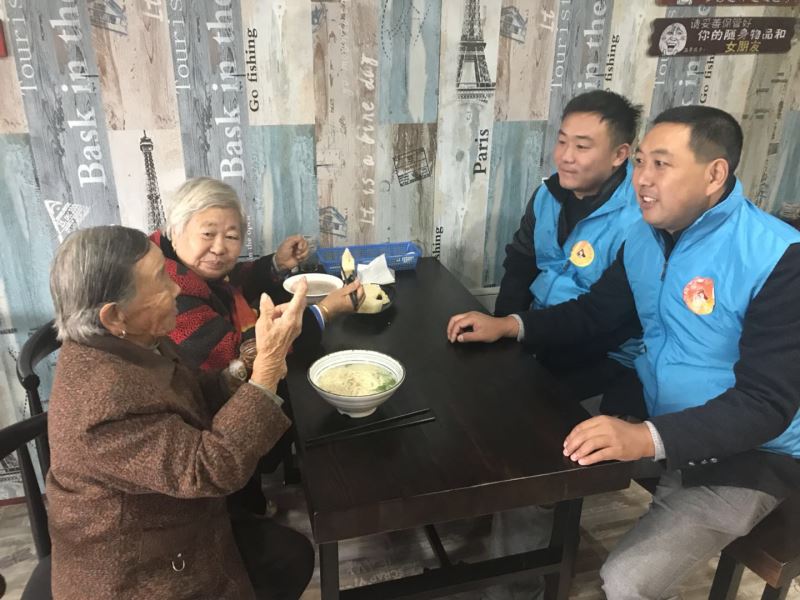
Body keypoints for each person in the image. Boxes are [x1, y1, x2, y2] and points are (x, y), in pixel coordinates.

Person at [450, 105, 800, 597]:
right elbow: (597, 312)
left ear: (714, 174)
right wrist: (510, 324)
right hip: (655, 405)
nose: (643, 179)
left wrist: (646, 438)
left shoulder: (778, 257)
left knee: (625, 581)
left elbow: (765, 405)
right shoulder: (645, 237)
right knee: (530, 464)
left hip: (751, 454)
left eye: (662, 164)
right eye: (640, 162)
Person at [46, 225, 314, 600]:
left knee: (292, 555)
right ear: (114, 316)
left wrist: (247, 364)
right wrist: (269, 368)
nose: (176, 288)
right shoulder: (102, 406)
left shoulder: (134, 341)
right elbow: (211, 468)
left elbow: (188, 394)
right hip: (140, 574)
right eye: (160, 280)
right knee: (290, 558)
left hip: (180, 519)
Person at [492, 90, 645, 417]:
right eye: (562, 142)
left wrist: (515, 327)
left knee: (524, 412)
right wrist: (502, 333)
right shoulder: (547, 194)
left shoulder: (641, 218)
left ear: (619, 154)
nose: (565, 157)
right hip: (542, 330)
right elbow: (520, 265)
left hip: (605, 351)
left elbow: (606, 315)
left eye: (582, 147)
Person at [152, 176, 363, 373]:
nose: (219, 248)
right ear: (175, 232)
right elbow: (237, 355)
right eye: (208, 234)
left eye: (231, 236)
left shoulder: (190, 266)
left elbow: (231, 280)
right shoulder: (167, 291)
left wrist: (277, 263)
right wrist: (324, 311)